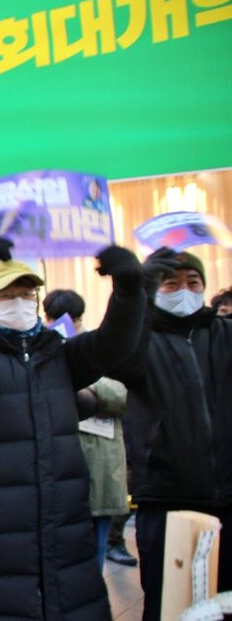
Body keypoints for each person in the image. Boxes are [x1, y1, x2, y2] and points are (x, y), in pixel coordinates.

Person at [0, 238, 145, 620]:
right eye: (7, 294)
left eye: (27, 293)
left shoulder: (59, 354)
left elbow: (114, 344)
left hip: (64, 519)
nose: (20, 301)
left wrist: (128, 289)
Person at [111, 248, 232, 621]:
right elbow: (117, 351)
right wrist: (139, 293)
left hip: (227, 497)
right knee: (171, 605)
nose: (183, 290)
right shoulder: (141, 339)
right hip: (166, 500)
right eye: (171, 282)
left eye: (192, 282)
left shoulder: (225, 334)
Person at [43, 289, 130, 572]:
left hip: (99, 464)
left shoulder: (102, 348)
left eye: (73, 319)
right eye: (55, 318)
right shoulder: (41, 350)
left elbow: (124, 395)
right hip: (55, 464)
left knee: (94, 555)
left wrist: (85, 379)